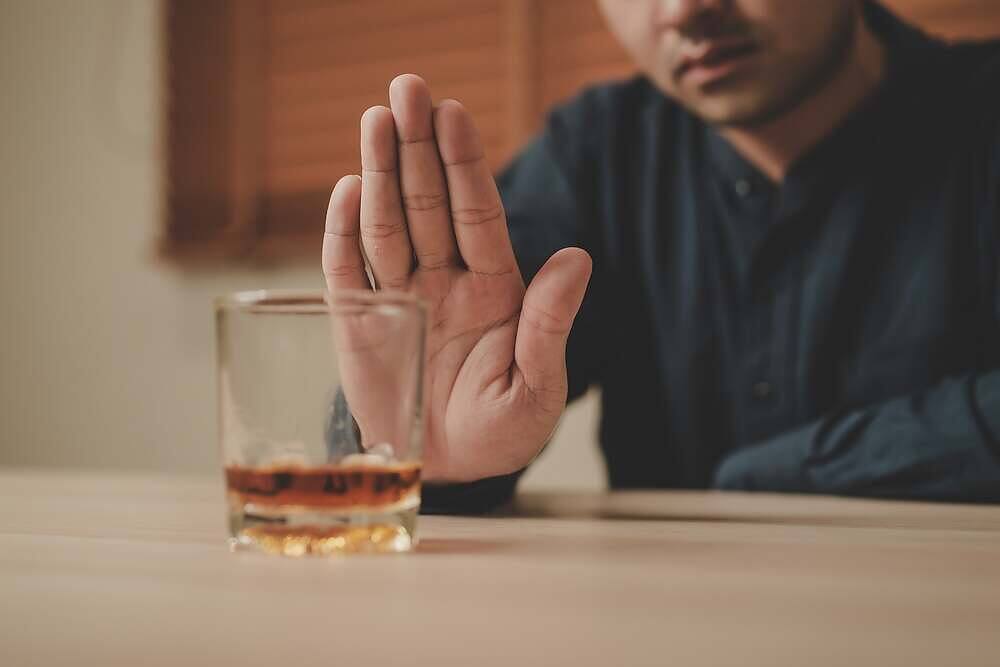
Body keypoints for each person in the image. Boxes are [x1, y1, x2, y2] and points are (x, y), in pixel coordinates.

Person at [321, 0, 1000, 511]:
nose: (683, 10)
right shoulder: (597, 153)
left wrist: (777, 477)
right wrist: (422, 455)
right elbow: (445, 384)